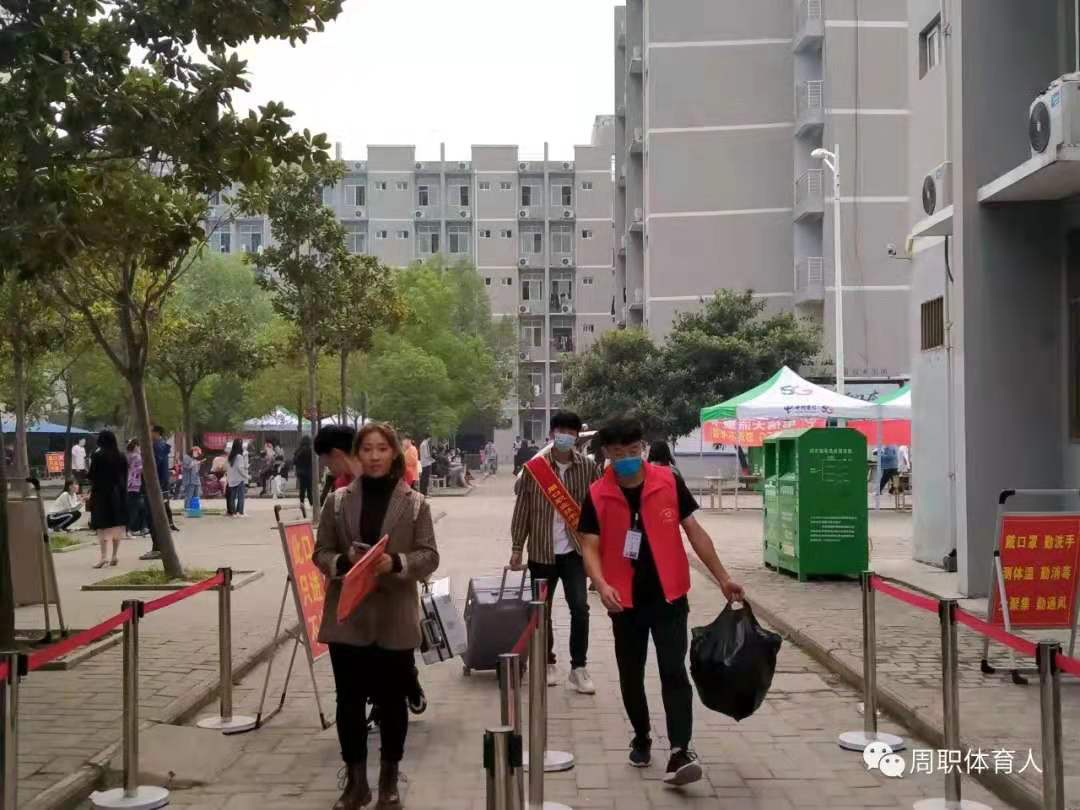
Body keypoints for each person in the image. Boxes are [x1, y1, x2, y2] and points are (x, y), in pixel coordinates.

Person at [578, 417, 745, 786]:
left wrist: (723, 577)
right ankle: (641, 736)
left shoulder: (668, 481)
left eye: (633, 451)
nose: (627, 459)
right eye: (618, 453)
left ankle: (680, 750)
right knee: (631, 673)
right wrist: (601, 583)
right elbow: (588, 545)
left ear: (642, 448)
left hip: (669, 595)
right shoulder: (597, 494)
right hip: (624, 601)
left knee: (673, 671)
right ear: (606, 454)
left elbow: (694, 531)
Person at [313, 422, 440, 810]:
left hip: (393, 614)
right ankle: (356, 783)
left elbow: (429, 555)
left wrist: (396, 562)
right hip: (348, 616)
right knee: (348, 702)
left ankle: (388, 780)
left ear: (394, 454)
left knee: (392, 702)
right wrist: (343, 562)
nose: (373, 456)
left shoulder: (415, 503)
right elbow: (320, 552)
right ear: (357, 453)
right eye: (366, 449)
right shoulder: (337, 502)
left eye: (381, 449)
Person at [510, 410, 600, 693]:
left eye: (571, 432)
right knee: (541, 611)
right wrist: (517, 547)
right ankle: (547, 662)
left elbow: (598, 509)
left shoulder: (588, 468)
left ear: (577, 436)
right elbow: (522, 510)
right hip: (541, 551)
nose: (566, 437)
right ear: (552, 434)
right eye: (561, 431)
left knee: (580, 608)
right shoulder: (534, 469)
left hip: (574, 551)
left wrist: (599, 549)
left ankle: (579, 668)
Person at [88, 430, 129, 569]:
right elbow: (125, 475)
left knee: (102, 526)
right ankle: (114, 555)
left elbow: (92, 475)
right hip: (118, 494)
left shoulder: (97, 455)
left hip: (101, 494)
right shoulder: (121, 456)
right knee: (117, 524)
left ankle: (103, 557)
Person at [151, 426, 180, 537]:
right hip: (163, 479)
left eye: (151, 431)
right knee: (164, 502)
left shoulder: (158, 446)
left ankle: (166, 524)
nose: (150, 434)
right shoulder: (161, 445)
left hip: (159, 479)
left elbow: (155, 463)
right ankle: (170, 523)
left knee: (161, 503)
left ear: (157, 433)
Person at [125, 439, 147, 537]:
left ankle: (140, 528)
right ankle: (130, 529)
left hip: (130, 484)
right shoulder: (137, 457)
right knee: (136, 507)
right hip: (136, 484)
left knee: (137, 507)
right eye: (139, 446)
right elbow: (141, 469)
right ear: (136, 446)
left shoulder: (128, 456)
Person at [225, 438, 250, 517]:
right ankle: (240, 512)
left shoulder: (230, 456)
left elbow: (228, 468)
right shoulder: (239, 456)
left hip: (231, 479)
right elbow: (240, 468)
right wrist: (246, 476)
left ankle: (233, 512)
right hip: (239, 479)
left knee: (232, 497)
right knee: (240, 496)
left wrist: (228, 478)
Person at [294, 436, 315, 508]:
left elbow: (294, 461)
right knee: (309, 489)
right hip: (309, 472)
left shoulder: (298, 450)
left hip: (301, 472)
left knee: (302, 489)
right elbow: (314, 461)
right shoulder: (311, 450)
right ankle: (311, 504)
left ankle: (302, 502)